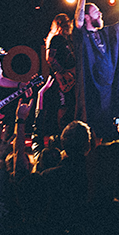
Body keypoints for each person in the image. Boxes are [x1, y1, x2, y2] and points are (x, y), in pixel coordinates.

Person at [72, 0, 119, 142]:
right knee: (92, 127)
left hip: (111, 90)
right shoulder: (83, 36)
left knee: (111, 127)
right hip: (92, 91)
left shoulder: (108, 33)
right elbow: (78, 22)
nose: (100, 13)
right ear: (87, 17)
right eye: (96, 12)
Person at [39, 13, 77, 142]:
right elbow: (50, 59)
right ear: (58, 25)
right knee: (63, 106)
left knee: (70, 105)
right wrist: (62, 73)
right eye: (63, 23)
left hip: (71, 78)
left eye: (68, 22)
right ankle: (62, 136)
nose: (67, 25)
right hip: (61, 79)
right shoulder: (56, 39)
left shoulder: (69, 40)